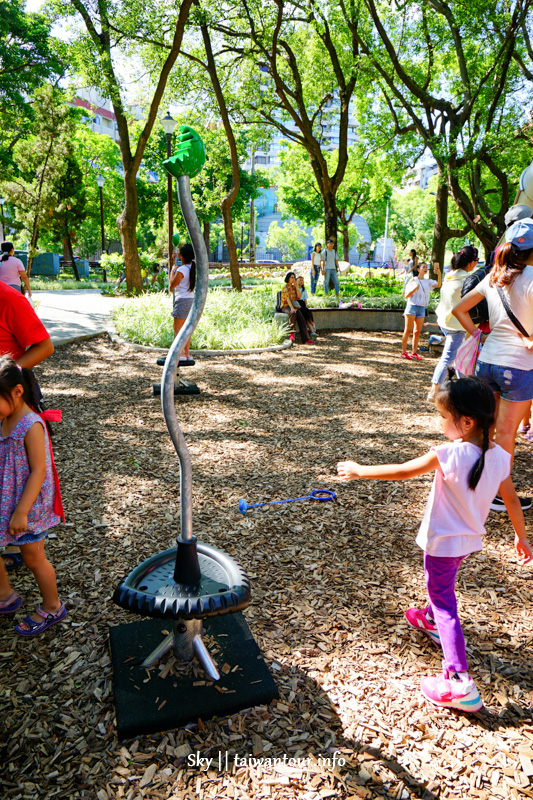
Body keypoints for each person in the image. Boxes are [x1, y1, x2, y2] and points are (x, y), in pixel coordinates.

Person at [337, 376, 532, 711]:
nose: (440, 423)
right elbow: (512, 500)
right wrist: (521, 535)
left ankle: (459, 682)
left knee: (445, 602)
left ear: (466, 421)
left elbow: (401, 472)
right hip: (467, 541)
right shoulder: (499, 456)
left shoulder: (449, 454)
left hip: (442, 544)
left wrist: (359, 470)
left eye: (444, 417)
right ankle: (428, 618)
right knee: (441, 590)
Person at [453, 219, 533, 512]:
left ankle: (472, 483)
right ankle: (499, 495)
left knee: (486, 428)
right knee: (506, 433)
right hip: (519, 366)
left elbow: (458, 309)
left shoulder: (492, 277)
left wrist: (478, 335)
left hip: (486, 363)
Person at [0, 357, 66, 635]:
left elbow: (39, 471)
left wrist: (21, 511)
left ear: (16, 391)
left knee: (33, 558)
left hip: (26, 506)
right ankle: (5, 596)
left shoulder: (30, 425)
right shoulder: (4, 417)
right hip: (6, 501)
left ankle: (53, 606)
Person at [0, 281, 55, 572]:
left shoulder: (9, 299)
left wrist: (6, 380)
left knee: (18, 471)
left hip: (8, 396)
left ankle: (18, 540)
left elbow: (45, 346)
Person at [427, 246, 478, 400]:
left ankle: (460, 387)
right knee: (449, 357)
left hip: (445, 321)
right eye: (476, 261)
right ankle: (434, 391)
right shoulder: (467, 280)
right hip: (457, 325)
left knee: (458, 355)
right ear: (471, 263)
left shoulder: (450, 276)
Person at [401, 262, 441, 359]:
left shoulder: (428, 281)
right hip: (412, 306)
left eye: (426, 267)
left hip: (422, 307)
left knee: (417, 331)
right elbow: (406, 295)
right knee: (408, 330)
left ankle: (414, 353)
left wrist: (439, 274)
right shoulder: (413, 280)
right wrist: (414, 289)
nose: (425, 269)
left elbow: (439, 285)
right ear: (418, 269)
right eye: (423, 267)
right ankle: (404, 352)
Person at [169, 242, 196, 361]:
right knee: (187, 329)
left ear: (182, 256)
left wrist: (172, 272)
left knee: (177, 328)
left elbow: (172, 285)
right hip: (191, 300)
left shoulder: (181, 270)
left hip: (182, 300)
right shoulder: (192, 268)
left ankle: (179, 354)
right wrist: (175, 258)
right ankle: (187, 354)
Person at [280, 272, 315, 344]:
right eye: (291, 277)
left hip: (294, 306)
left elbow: (299, 297)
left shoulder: (294, 287)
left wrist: (296, 287)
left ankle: (306, 339)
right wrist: (292, 308)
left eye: (294, 278)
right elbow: (287, 299)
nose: (293, 279)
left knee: (302, 320)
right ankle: (292, 332)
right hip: (285, 306)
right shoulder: (285, 288)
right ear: (288, 278)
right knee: (292, 312)